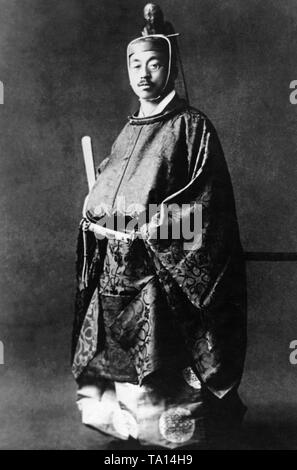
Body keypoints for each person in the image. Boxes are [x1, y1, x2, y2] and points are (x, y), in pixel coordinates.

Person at [71, 3, 247, 449]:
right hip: (117, 272)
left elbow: (208, 208)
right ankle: (126, 422)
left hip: (161, 276)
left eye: (154, 62)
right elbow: (108, 194)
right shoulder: (128, 131)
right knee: (117, 367)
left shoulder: (192, 127)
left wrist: (148, 230)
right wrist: (97, 219)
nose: (144, 73)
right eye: (135, 63)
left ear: (170, 66)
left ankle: (174, 429)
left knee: (164, 381)